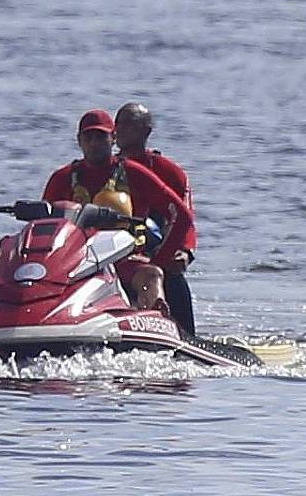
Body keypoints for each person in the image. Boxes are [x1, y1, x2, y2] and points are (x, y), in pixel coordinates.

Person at [43, 108, 194, 330]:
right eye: (88, 137)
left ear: (113, 138)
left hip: (126, 260)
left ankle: (156, 322)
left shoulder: (134, 172)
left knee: (151, 275)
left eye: (101, 137)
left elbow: (181, 215)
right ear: (79, 141)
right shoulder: (62, 178)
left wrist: (162, 259)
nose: (94, 143)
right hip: (73, 264)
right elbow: (43, 226)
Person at [114, 100, 197, 336]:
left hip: (157, 247)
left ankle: (186, 336)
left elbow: (186, 217)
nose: (120, 129)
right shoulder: (106, 169)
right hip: (114, 248)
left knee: (173, 272)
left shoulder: (169, 171)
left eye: (128, 124)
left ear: (146, 131)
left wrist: (186, 251)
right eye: (117, 124)